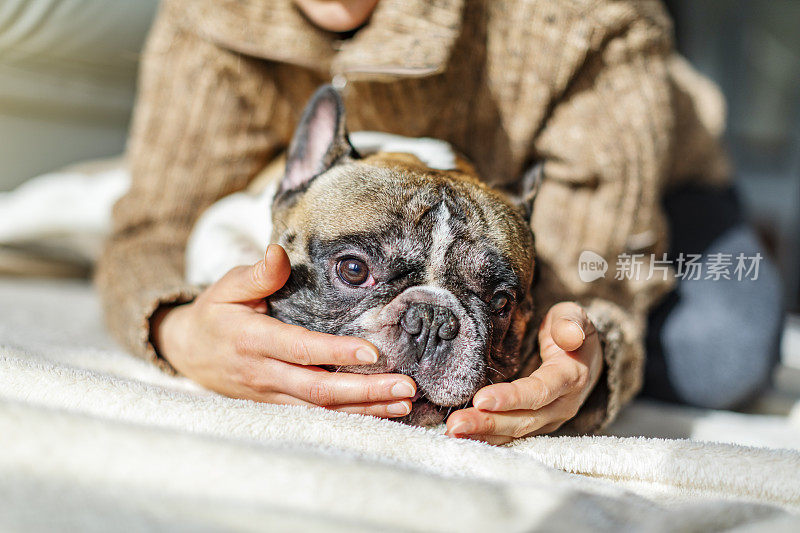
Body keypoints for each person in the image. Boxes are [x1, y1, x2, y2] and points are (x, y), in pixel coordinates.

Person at [97, 0, 782, 444]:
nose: (421, 331)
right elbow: (152, 230)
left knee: (714, 352)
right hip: (420, 190)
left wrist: (588, 354)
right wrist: (182, 328)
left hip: (642, 182)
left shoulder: (586, 17)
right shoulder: (208, 17)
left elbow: (583, 267)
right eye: (356, 269)